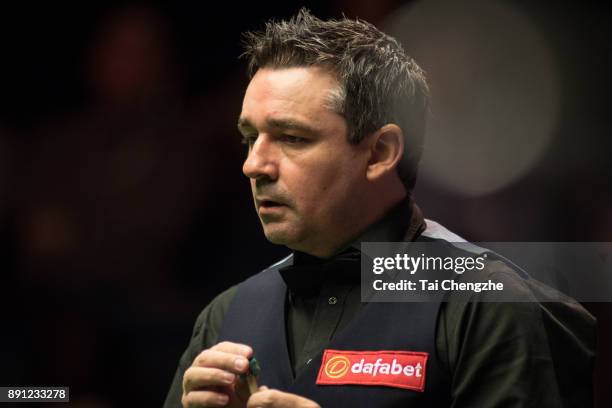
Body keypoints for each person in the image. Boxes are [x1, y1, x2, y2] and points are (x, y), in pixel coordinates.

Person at [164, 9, 596, 408]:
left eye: (292, 138)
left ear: (380, 153)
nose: (253, 164)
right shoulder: (226, 314)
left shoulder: (493, 309)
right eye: (249, 138)